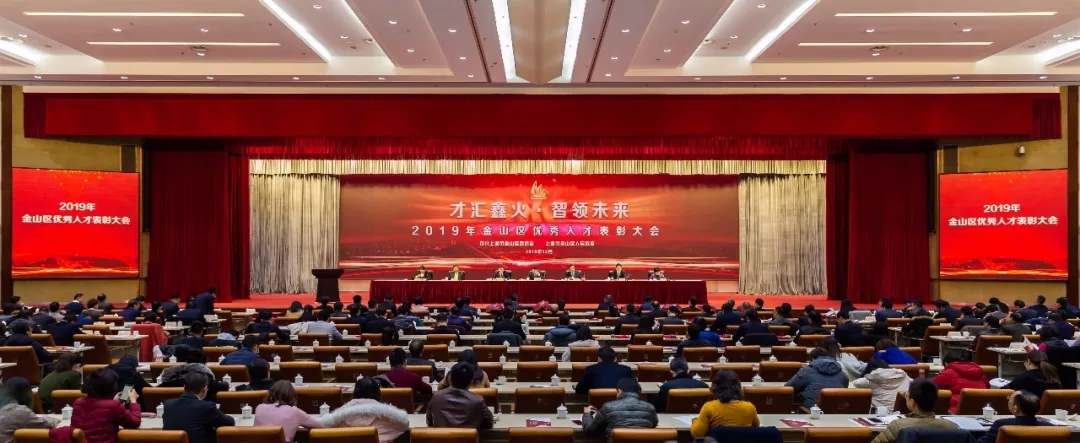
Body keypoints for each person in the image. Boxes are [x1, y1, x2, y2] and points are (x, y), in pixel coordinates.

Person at [321, 377, 410, 443]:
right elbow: (404, 425)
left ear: (355, 393)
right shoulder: (393, 417)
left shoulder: (337, 417)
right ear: (378, 393)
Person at [870, 379, 957, 443]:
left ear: (912, 402)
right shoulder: (951, 426)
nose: (905, 397)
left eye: (906, 395)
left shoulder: (898, 426)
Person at [71, 368, 141, 443]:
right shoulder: (113, 406)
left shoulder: (78, 402)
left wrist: (113, 401)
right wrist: (133, 402)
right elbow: (134, 423)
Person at [163, 372, 235, 443]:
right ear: (205, 389)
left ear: (184, 387)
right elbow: (229, 422)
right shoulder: (206, 407)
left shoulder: (168, 404)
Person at [582, 378, 658, 440]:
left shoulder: (608, 407)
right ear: (638, 392)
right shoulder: (650, 408)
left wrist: (587, 414)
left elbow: (590, 430)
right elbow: (654, 424)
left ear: (619, 391)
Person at [688, 369, 758, 436]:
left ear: (715, 387)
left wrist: (695, 420)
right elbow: (756, 427)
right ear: (738, 386)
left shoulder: (709, 407)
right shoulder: (750, 407)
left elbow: (697, 433)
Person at [427, 362, 494, 429]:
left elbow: (429, 421)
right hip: (468, 436)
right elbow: (489, 423)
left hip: (442, 435)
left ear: (450, 379)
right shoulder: (478, 401)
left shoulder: (436, 397)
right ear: (471, 382)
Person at [253, 381, 322, 441]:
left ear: (271, 393)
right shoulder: (295, 411)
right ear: (292, 396)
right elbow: (319, 427)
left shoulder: (259, 407)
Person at [0, 377, 59, 443]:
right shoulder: (20, 411)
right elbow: (48, 425)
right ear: (27, 394)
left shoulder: (4, 407)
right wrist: (55, 419)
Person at [977, 390, 1048, 443]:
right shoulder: (1048, 426)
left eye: (1010, 399)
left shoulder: (1001, 424)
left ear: (1015, 408)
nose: (1008, 400)